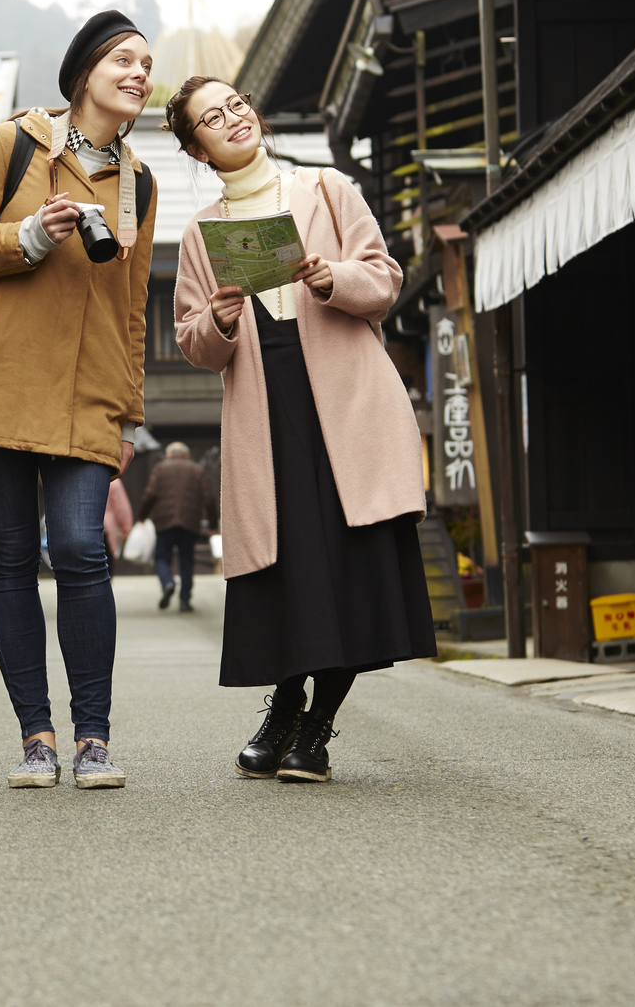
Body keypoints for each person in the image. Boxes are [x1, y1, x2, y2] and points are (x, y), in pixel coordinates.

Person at [168, 76, 434, 784]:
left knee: (351, 562)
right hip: (265, 404)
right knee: (291, 565)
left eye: (236, 104)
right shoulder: (200, 233)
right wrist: (219, 319)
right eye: (212, 118)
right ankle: (284, 706)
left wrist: (331, 279)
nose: (233, 118)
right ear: (197, 148)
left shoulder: (325, 188)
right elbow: (192, 340)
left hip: (348, 401)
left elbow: (384, 280)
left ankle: (314, 727)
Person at [0, 11, 158, 790]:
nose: (139, 73)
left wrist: (129, 412)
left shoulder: (140, 181)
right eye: (123, 59)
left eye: (146, 63)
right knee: (10, 556)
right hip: (0, 379)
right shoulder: (14, 143)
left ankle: (93, 739)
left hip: (89, 394)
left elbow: (133, 307)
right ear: (84, 72)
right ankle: (37, 737)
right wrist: (29, 234)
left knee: (83, 548)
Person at [140, 441, 216, 613]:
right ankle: (184, 600)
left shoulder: (160, 468)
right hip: (189, 522)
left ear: (169, 455)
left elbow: (150, 494)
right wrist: (213, 525)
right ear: (187, 455)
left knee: (161, 557)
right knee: (186, 560)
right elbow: (209, 498)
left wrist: (142, 517)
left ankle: (167, 583)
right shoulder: (197, 470)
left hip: (164, 521)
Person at [103, 477, 133, 560]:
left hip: (81, 530)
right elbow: (121, 508)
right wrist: (126, 529)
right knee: (106, 561)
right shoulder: (112, 480)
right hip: (105, 529)